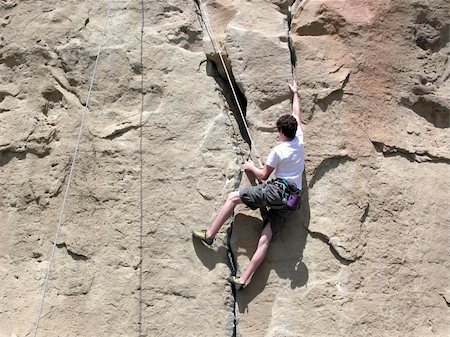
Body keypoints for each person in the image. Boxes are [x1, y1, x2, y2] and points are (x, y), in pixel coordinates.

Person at [192, 81, 305, 290]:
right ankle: (243, 280)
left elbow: (263, 175)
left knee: (233, 198)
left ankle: (209, 235)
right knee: (266, 237)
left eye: (278, 131)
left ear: (281, 131)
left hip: (277, 191)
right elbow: (296, 113)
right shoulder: (299, 138)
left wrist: (252, 167)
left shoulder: (279, 150)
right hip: (292, 199)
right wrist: (295, 93)